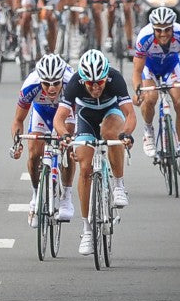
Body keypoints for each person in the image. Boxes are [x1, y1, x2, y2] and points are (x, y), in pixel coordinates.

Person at [53, 49, 136, 257]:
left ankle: (118, 185)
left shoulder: (115, 78)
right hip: (85, 117)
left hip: (111, 112)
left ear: (105, 76)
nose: (95, 87)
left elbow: (130, 114)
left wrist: (127, 133)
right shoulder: (74, 83)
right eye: (90, 83)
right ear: (83, 80)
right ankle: (87, 230)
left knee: (111, 132)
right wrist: (64, 135)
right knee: (84, 166)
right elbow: (59, 118)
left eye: (99, 82)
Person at [132, 7, 180, 173]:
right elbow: (137, 71)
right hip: (150, 69)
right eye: (159, 30)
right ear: (153, 28)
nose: (163, 34)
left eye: (167, 30)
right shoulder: (145, 37)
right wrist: (137, 91)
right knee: (150, 99)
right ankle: (148, 130)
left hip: (171, 67)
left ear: (173, 27)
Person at [11, 54, 76, 226]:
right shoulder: (30, 85)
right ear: (40, 80)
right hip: (42, 112)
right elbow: (18, 120)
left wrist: (74, 138)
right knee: (33, 154)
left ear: (62, 78)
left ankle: (66, 197)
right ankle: (36, 195)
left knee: (68, 148)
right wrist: (17, 143)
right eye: (46, 84)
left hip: (66, 112)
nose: (52, 88)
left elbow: (82, 114)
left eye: (56, 83)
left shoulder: (72, 83)